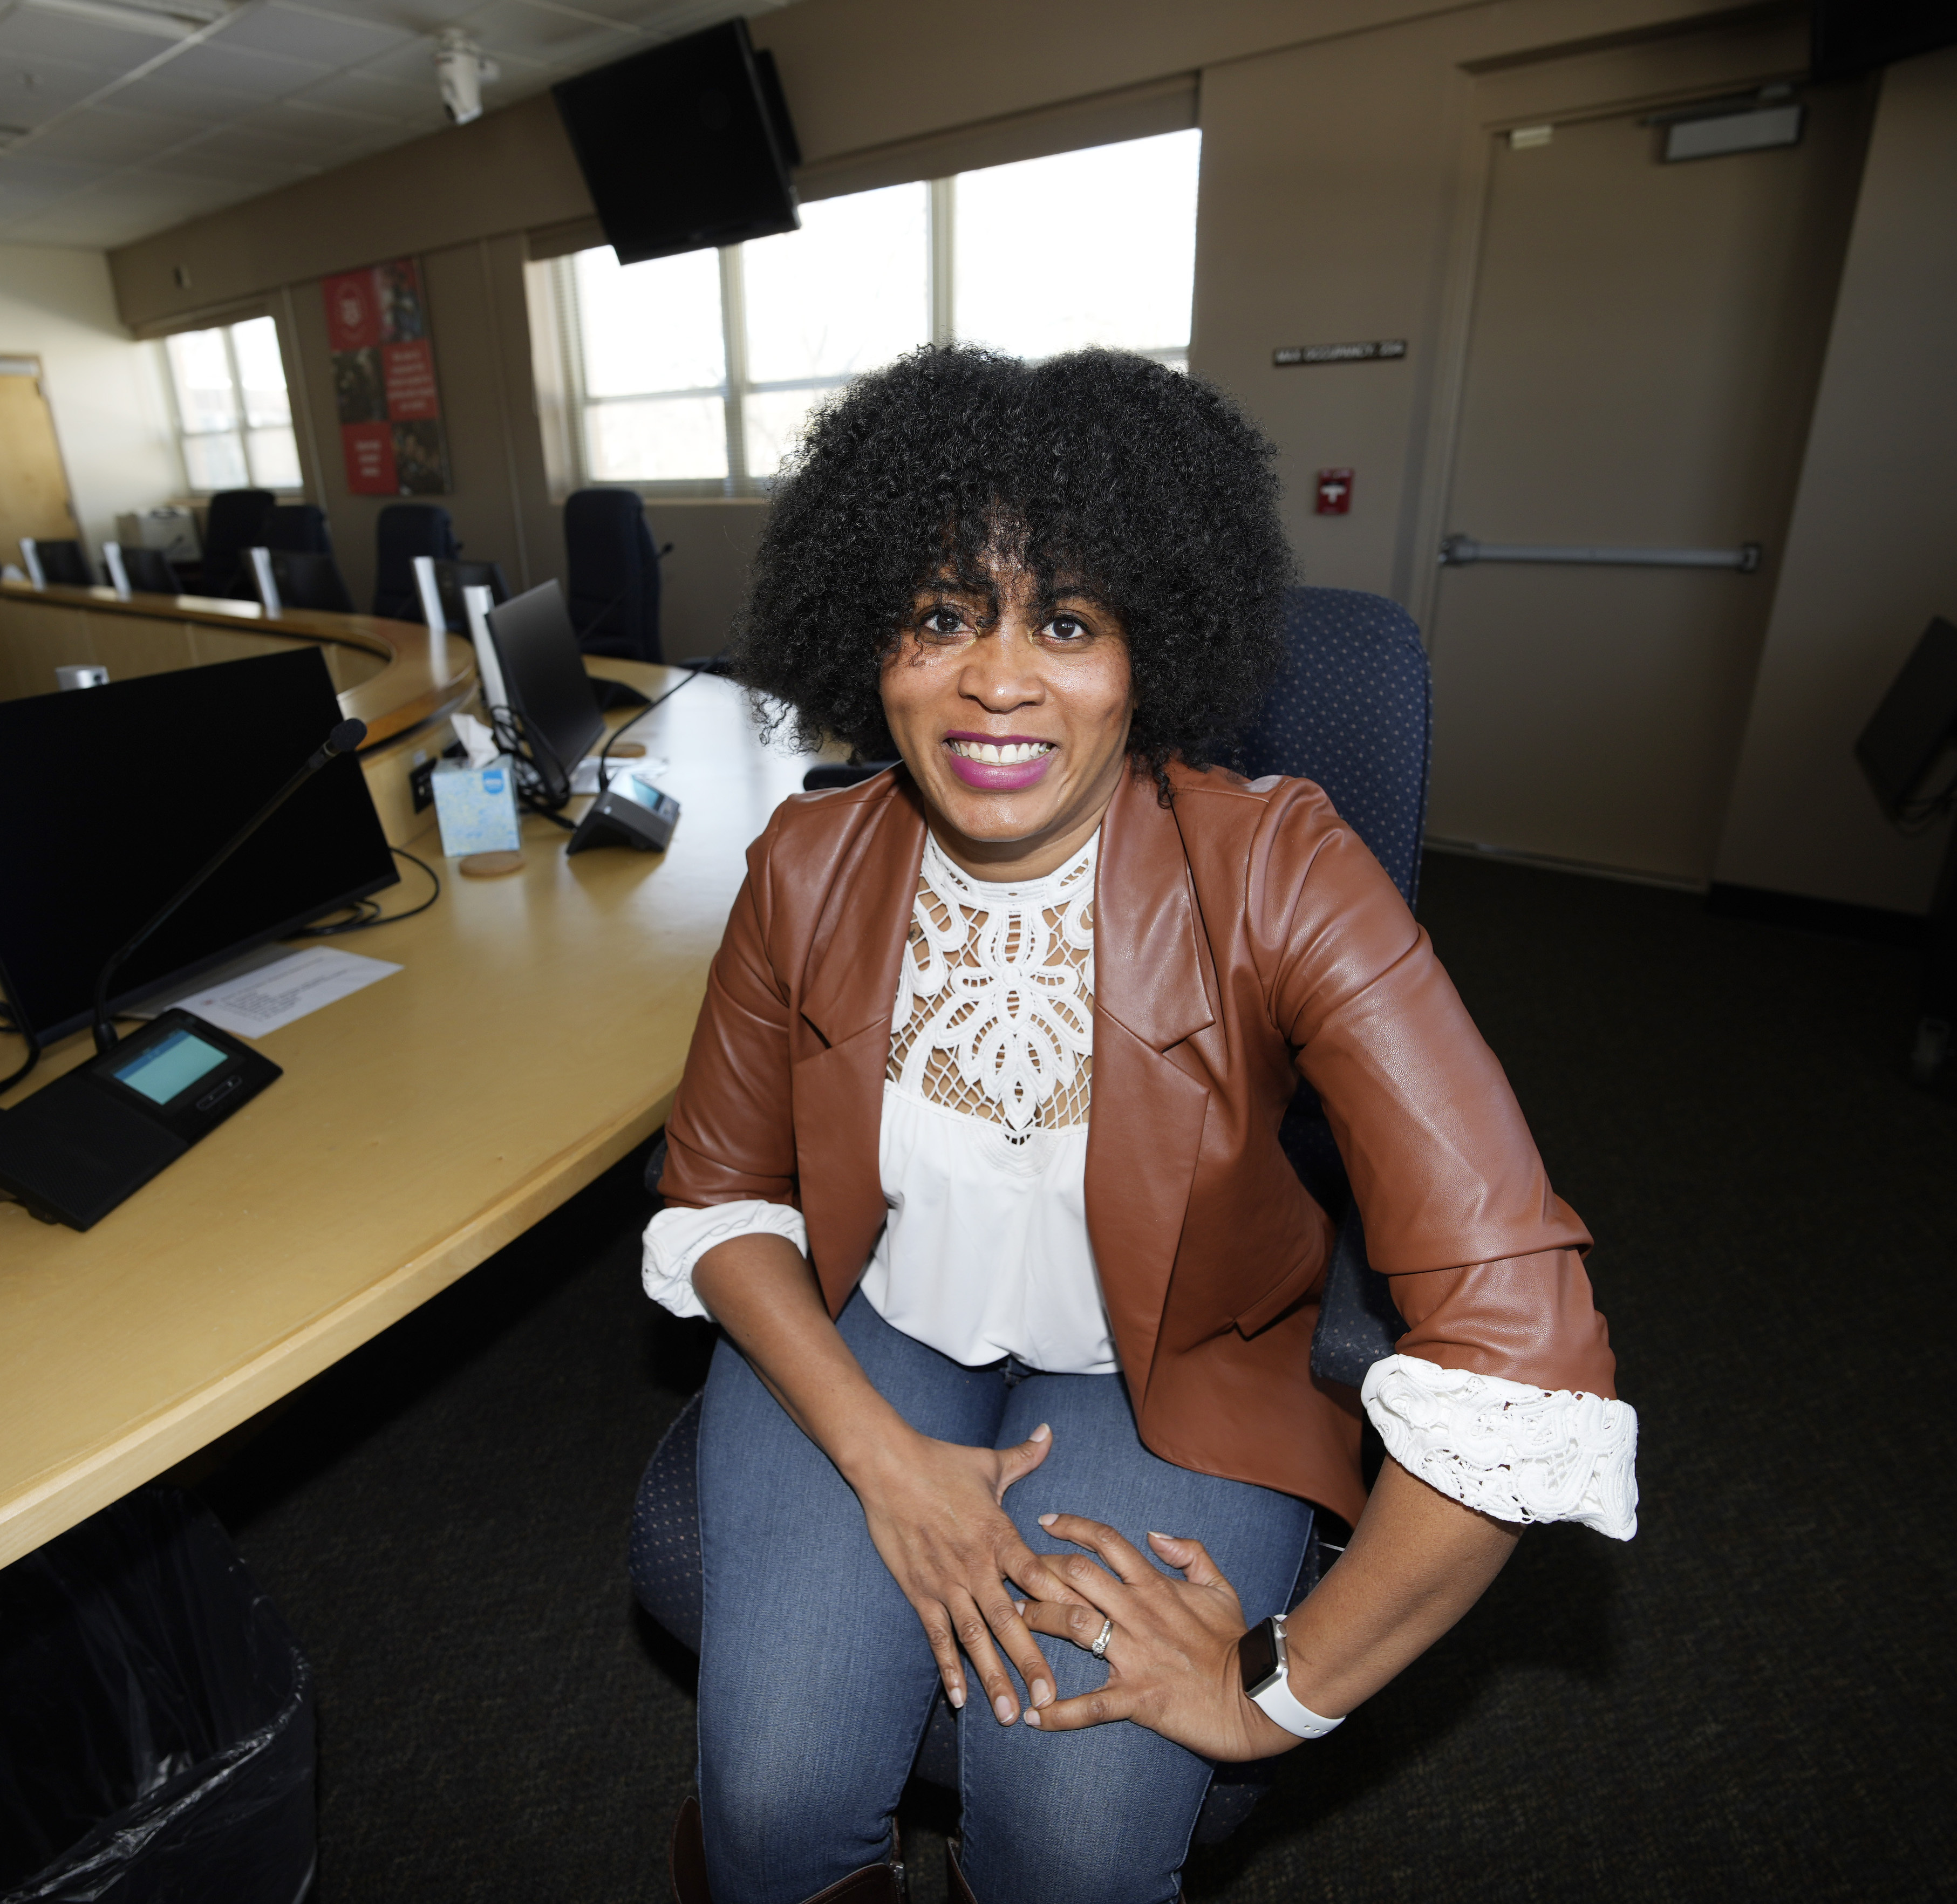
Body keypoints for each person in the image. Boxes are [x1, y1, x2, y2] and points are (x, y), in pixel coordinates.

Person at [642, 345, 1639, 1904]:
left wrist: (1278, 1687)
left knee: (1076, 1828)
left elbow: (1526, 1349)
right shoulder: (806, 862)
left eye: (1065, 619)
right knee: (769, 1803)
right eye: (942, 616)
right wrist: (884, 1461)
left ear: (1147, 648)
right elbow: (717, 1196)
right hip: (875, 1320)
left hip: (1166, 1359)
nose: (997, 679)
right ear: (875, 646)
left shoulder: (1282, 867)